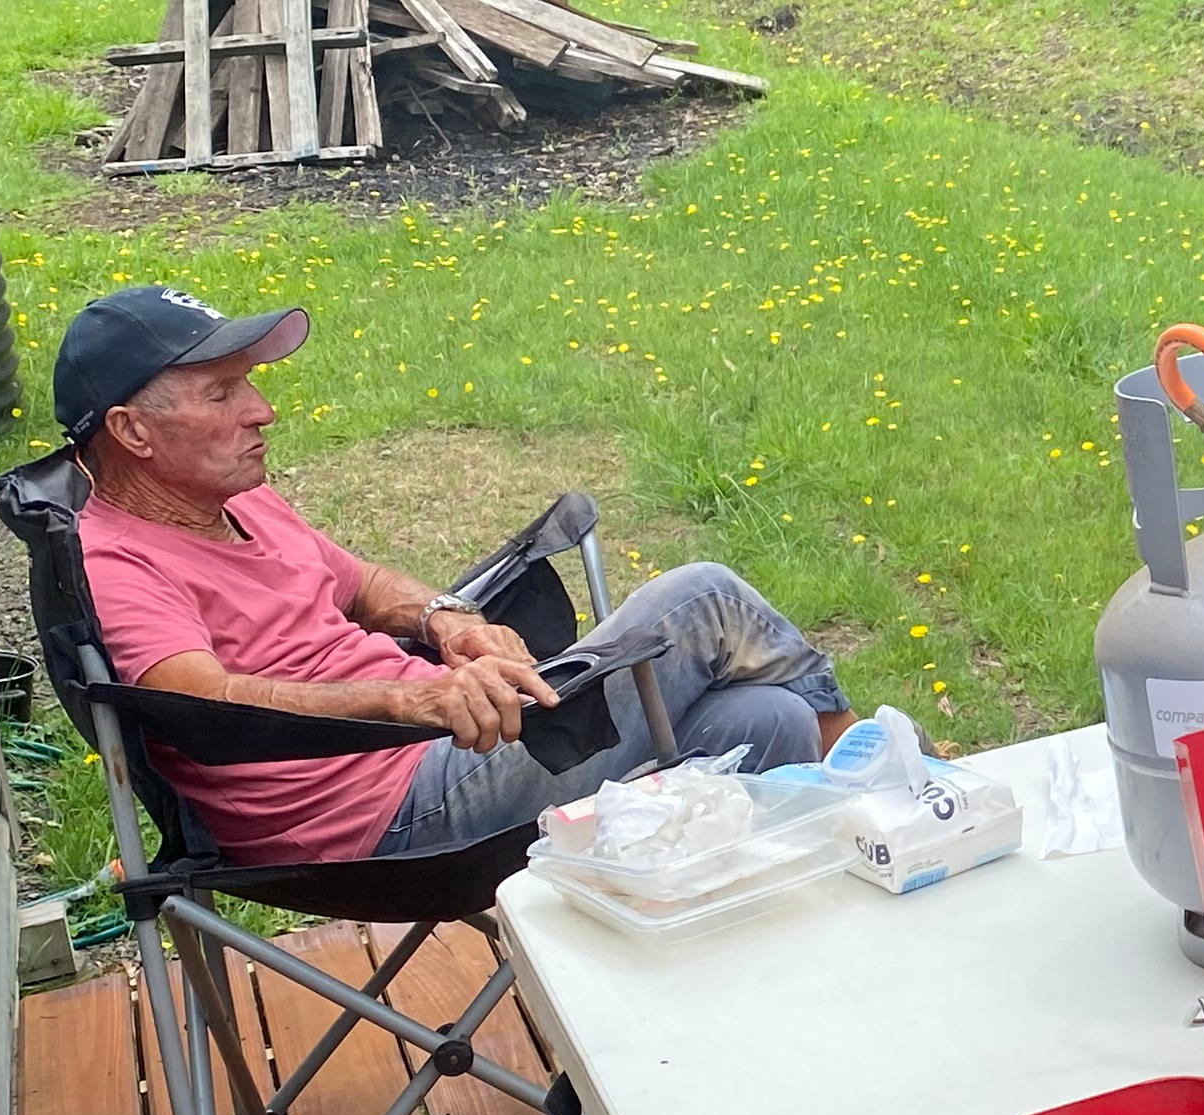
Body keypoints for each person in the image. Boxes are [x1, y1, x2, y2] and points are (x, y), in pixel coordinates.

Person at [56, 286, 851, 862]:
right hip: (378, 818)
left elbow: (361, 584)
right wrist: (411, 698)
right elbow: (203, 703)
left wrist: (449, 620)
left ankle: (746, 961)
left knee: (767, 719)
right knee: (701, 595)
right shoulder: (115, 559)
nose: (261, 409)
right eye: (223, 392)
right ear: (131, 431)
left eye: (250, 384)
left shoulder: (236, 497)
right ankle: (894, 797)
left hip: (444, 749)